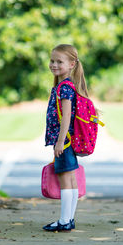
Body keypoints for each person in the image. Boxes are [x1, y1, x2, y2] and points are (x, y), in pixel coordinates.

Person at [43, 44, 89, 232]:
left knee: (65, 179)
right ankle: (68, 219)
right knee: (70, 178)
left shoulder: (65, 87)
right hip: (68, 140)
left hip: (65, 140)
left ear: (71, 64)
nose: (54, 64)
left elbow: (67, 116)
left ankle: (64, 220)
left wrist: (60, 141)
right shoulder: (67, 85)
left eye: (59, 61)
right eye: (52, 61)